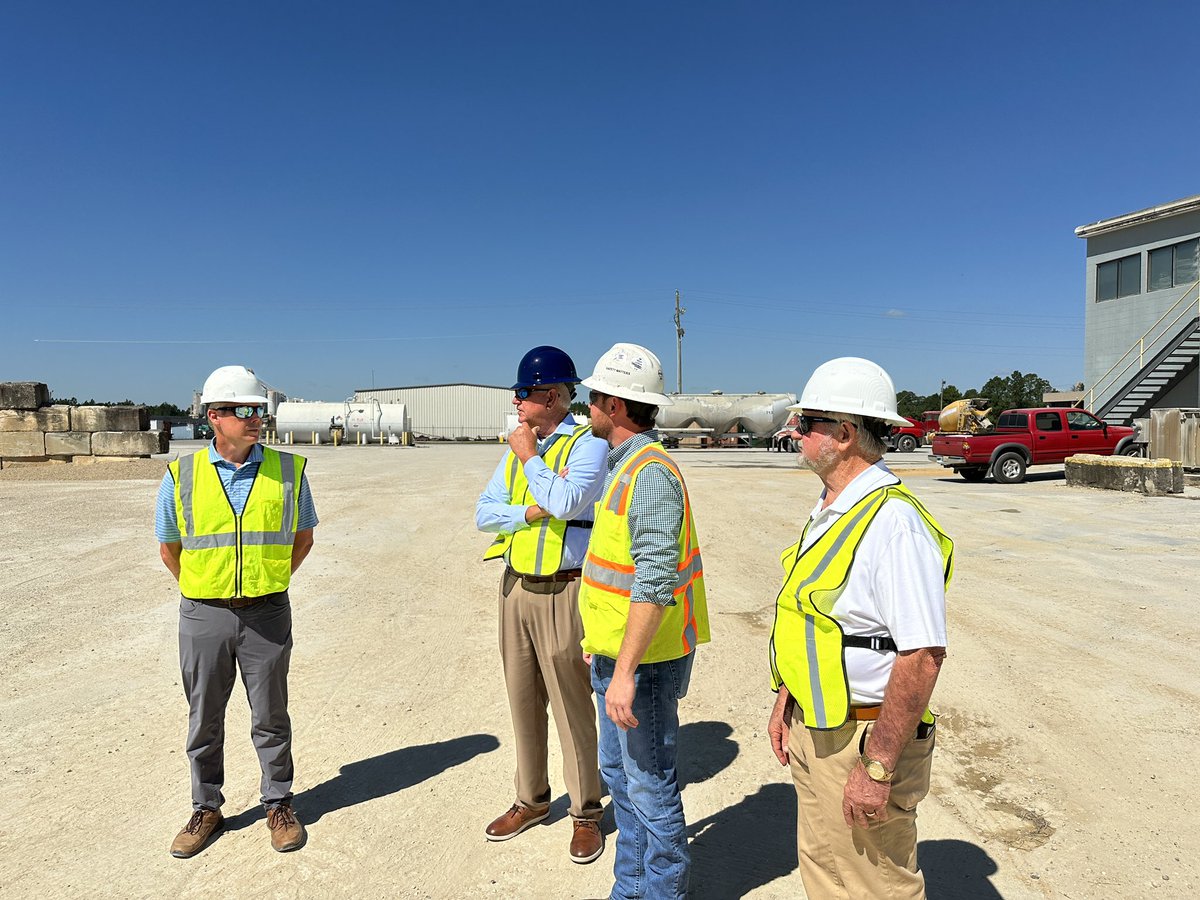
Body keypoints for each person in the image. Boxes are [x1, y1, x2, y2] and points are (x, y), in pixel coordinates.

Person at [766, 357, 954, 899]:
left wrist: (877, 767)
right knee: (825, 872)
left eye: (807, 423)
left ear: (845, 434)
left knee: (877, 886)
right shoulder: (833, 508)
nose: (795, 432)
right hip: (818, 726)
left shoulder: (893, 523)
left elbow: (922, 656)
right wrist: (787, 699)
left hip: (863, 739)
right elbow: (815, 621)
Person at [156, 365, 318, 858]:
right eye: (242, 410)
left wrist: (267, 581)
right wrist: (205, 588)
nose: (255, 418)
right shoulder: (181, 474)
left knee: (271, 714)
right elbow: (169, 546)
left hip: (267, 612)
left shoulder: (289, 471)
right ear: (214, 416)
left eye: (258, 410)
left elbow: (303, 538)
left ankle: (279, 804)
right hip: (203, 613)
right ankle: (206, 808)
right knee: (203, 716)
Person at [577, 342, 711, 900]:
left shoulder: (650, 474)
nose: (586, 406)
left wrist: (627, 671)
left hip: (645, 666)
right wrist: (600, 643)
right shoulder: (625, 466)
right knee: (621, 780)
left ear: (615, 404)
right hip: (618, 656)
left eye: (592, 397)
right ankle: (630, 889)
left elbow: (654, 582)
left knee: (650, 789)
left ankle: (661, 892)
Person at [475, 346, 608, 864]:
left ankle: (586, 812)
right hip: (515, 589)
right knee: (523, 700)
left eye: (523, 393)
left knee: (572, 706)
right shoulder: (519, 447)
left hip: (564, 591)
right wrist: (529, 512)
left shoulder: (586, 445)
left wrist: (530, 459)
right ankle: (531, 800)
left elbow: (568, 503)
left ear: (551, 397)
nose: (516, 401)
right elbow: (484, 514)